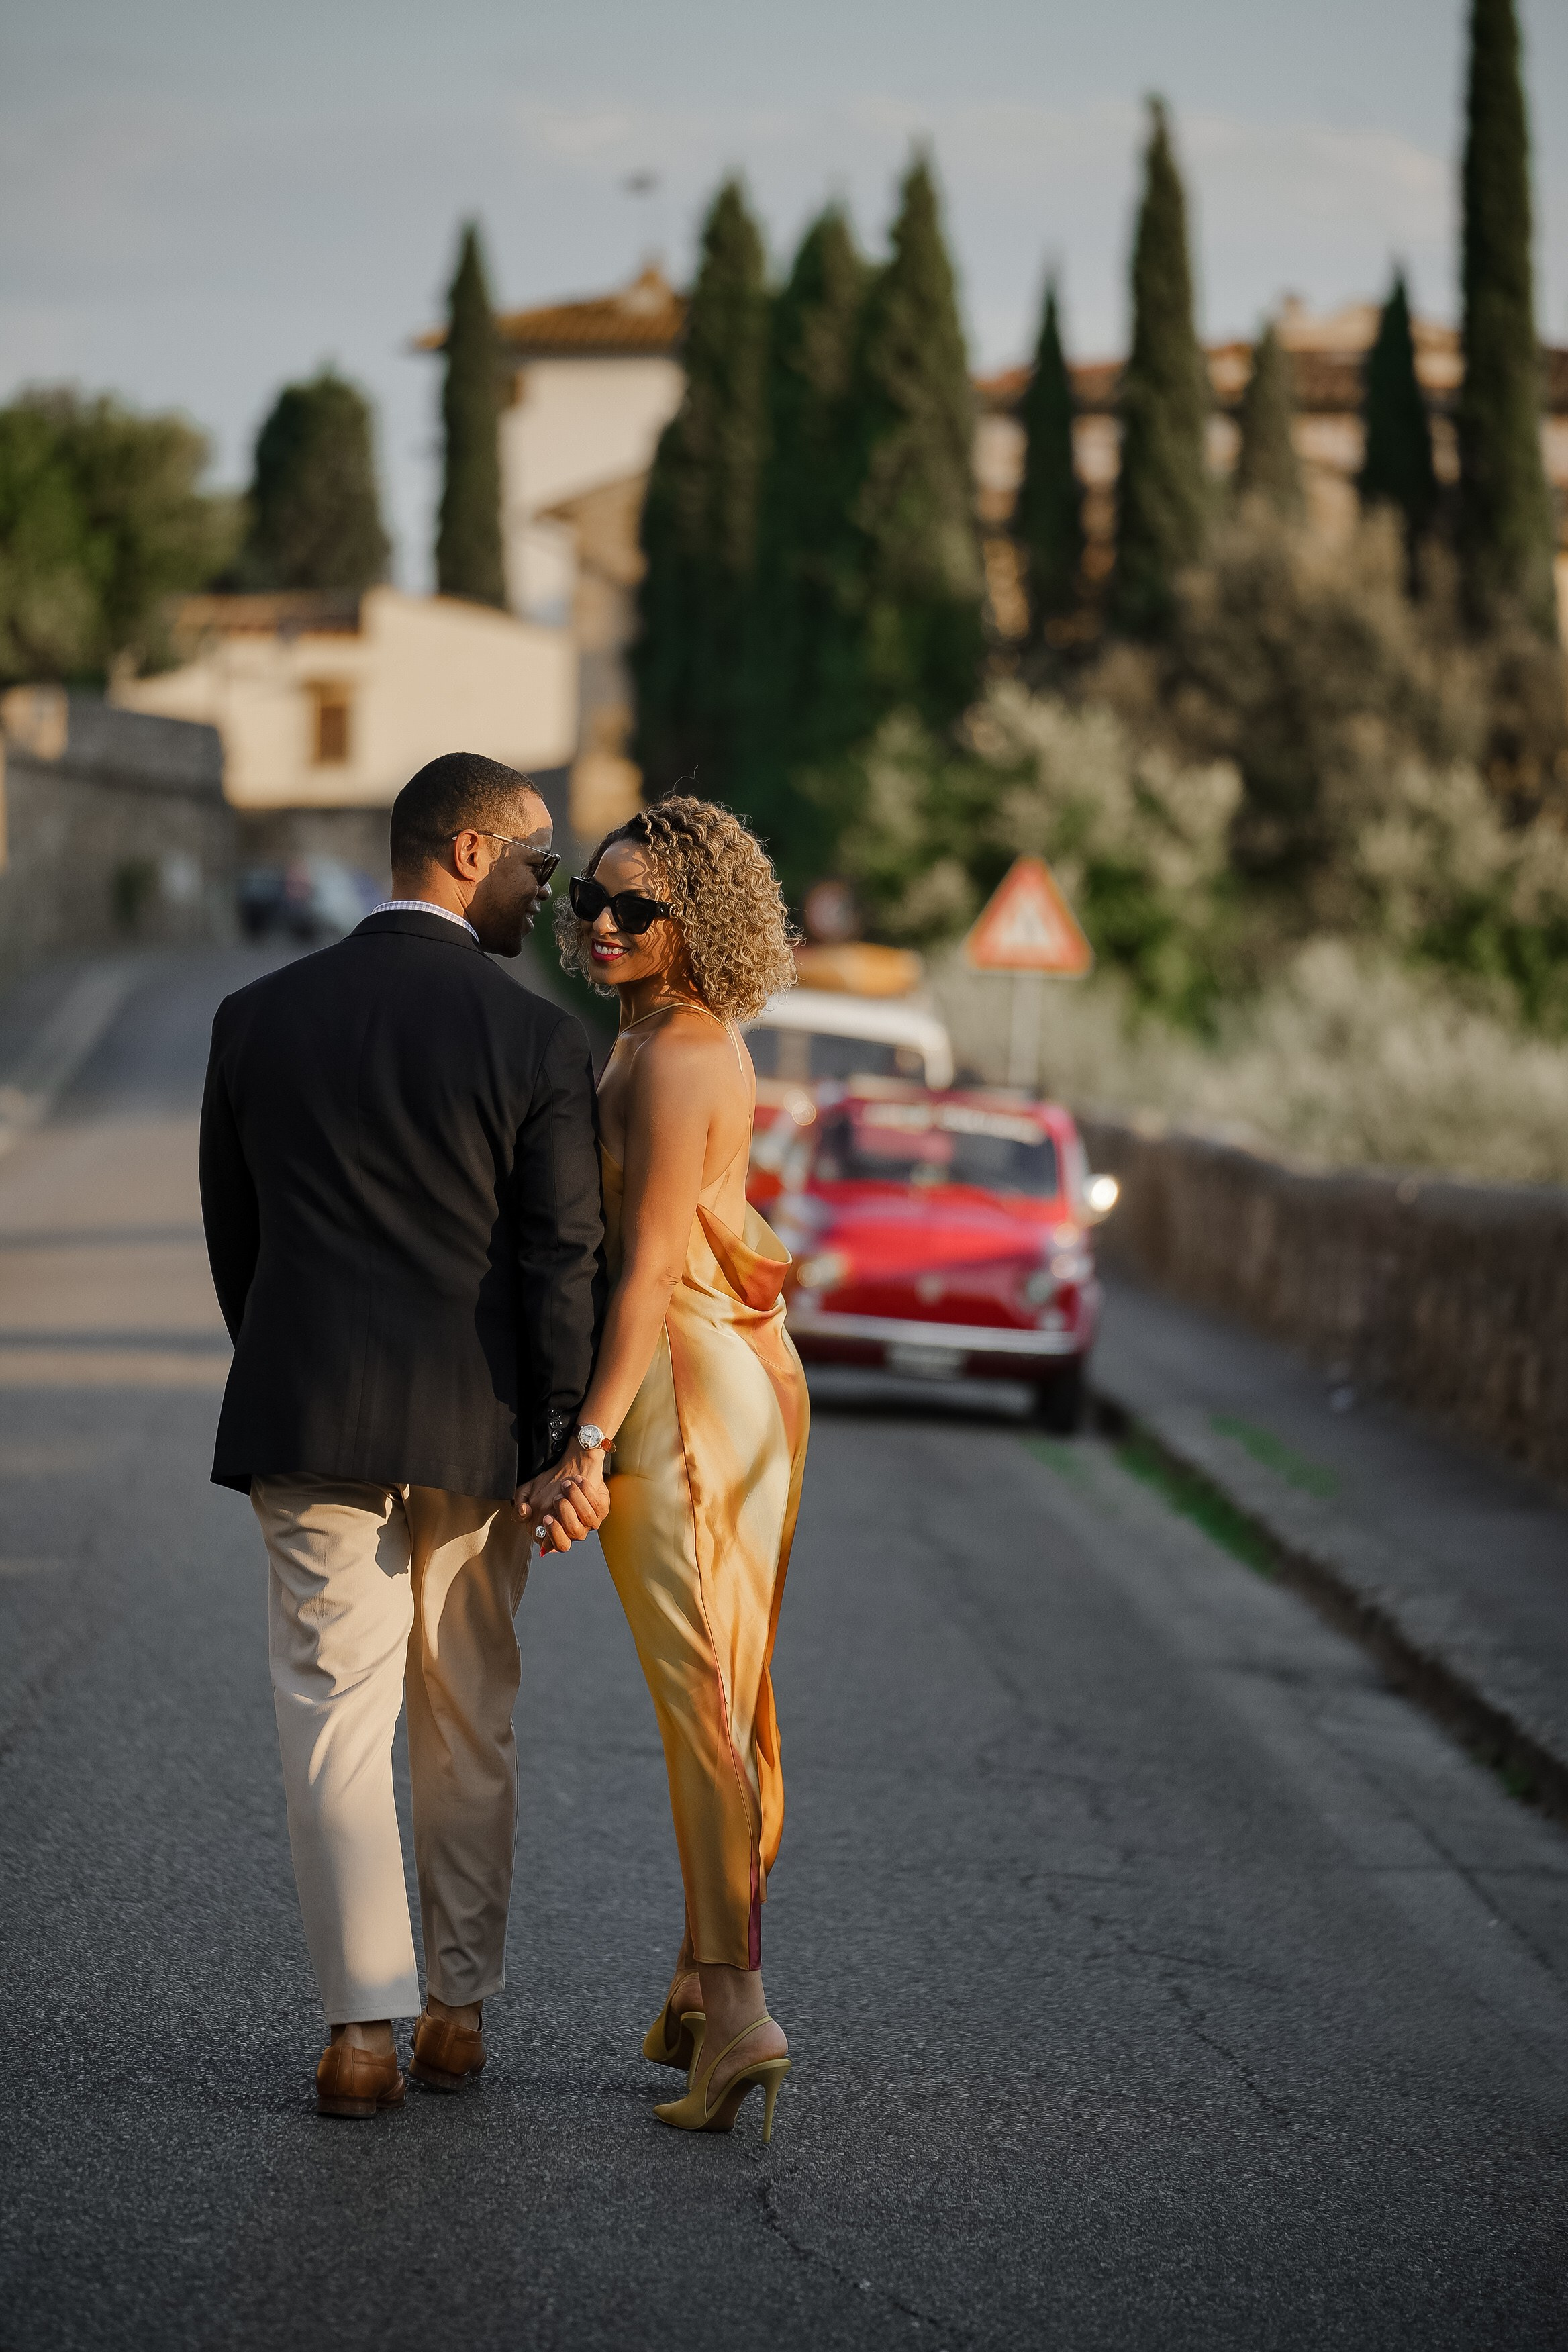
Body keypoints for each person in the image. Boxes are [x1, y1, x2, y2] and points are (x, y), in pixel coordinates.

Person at [199, 752, 607, 2119]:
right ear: (470, 848)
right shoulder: (541, 1042)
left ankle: (357, 2037)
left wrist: (293, 1357)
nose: (549, 898)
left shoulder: (256, 1018)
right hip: (482, 1433)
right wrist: (563, 1436)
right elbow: (562, 1259)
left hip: (309, 1412)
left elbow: (233, 1243)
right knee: (467, 1720)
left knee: (332, 1719)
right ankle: (455, 2014)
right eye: (541, 869)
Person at [521, 798, 808, 2143]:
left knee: (701, 1704)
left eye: (637, 909)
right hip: (687, 1381)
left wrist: (584, 1440)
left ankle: (739, 2006)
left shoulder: (686, 1052)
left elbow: (642, 1270)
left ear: (700, 924)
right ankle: (707, 1983)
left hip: (684, 1395)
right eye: (590, 896)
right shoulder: (642, 1036)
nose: (601, 923)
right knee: (706, 1695)